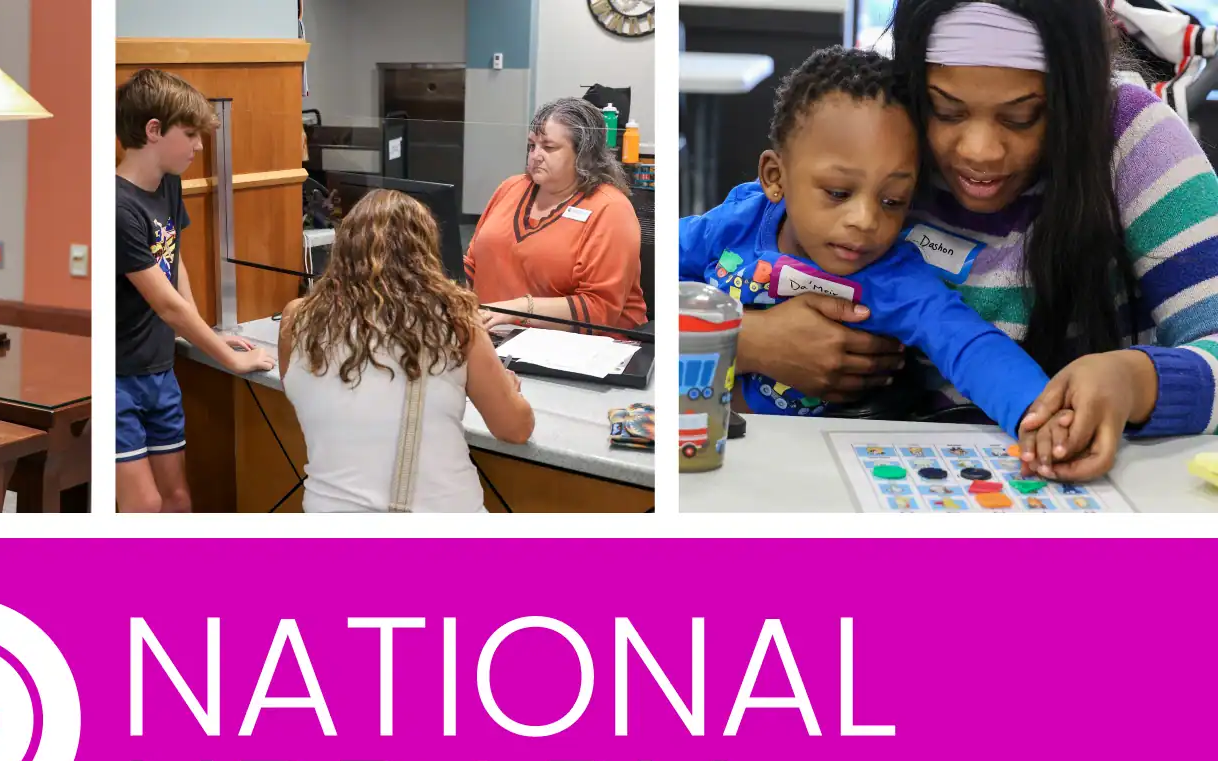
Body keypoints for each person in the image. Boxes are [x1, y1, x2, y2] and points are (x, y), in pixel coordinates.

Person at [740, 0, 1218, 480]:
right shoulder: (880, 129)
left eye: (1022, 117)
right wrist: (750, 340)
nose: (980, 152)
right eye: (946, 111)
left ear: (1074, 95)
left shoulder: (1132, 141)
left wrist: (1137, 381)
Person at [679, 46, 1049, 436]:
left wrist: (1040, 416)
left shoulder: (894, 276)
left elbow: (970, 346)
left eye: (892, 201)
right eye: (838, 192)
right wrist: (743, 335)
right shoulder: (736, 222)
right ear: (775, 177)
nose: (866, 220)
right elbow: (651, 282)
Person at [279, 189, 534, 513]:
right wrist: (506, 390)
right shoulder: (453, 319)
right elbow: (515, 428)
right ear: (424, 255)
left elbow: (306, 393)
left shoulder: (298, 318)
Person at [115, 68, 274, 513]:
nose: (199, 146)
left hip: (159, 370)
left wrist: (203, 330)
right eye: (190, 134)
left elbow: (173, 259)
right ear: (153, 131)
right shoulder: (117, 206)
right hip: (117, 379)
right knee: (143, 505)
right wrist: (229, 357)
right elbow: (165, 304)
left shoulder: (167, 184)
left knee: (178, 499)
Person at [464, 96, 648, 332]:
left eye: (549, 147)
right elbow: (470, 267)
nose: (535, 156)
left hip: (580, 347)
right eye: (532, 146)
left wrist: (514, 312)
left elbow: (599, 309)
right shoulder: (510, 188)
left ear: (584, 154)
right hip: (492, 334)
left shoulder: (610, 208)